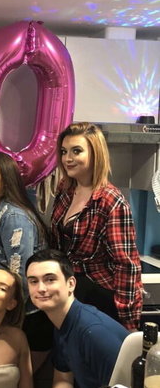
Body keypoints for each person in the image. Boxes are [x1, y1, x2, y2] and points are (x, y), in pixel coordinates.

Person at [50, 121, 142, 331]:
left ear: (95, 154)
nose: (67, 158)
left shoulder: (111, 201)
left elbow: (127, 265)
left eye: (76, 151)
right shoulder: (65, 189)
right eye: (64, 152)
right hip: (69, 291)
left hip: (98, 295)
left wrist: (128, 321)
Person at [25, 249, 129, 388]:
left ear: (71, 284)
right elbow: (63, 379)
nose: (41, 288)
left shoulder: (93, 331)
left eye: (50, 279)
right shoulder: (61, 322)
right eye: (33, 281)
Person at [0, 152, 51, 368]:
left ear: (7, 178)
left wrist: (7, 316)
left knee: (19, 381)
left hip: (26, 315)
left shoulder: (13, 216)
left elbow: (20, 275)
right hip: (7, 308)